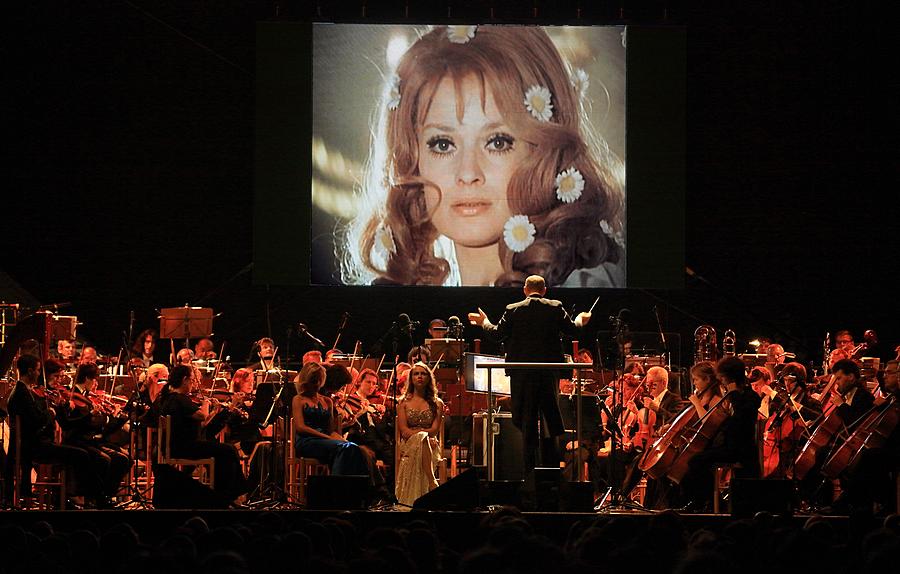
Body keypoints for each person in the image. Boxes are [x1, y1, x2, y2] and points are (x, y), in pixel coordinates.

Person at [340, 25, 624, 287]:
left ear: (543, 152)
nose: (467, 173)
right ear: (413, 159)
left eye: (498, 142)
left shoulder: (591, 290)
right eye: (442, 144)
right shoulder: (399, 303)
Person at [468, 274, 591, 489]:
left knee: (526, 421)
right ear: (544, 290)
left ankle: (528, 476)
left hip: (522, 375)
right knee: (550, 420)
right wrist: (581, 318)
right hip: (547, 374)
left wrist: (484, 322)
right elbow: (573, 329)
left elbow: (497, 334)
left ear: (525, 290)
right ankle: (551, 475)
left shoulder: (513, 309)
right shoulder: (555, 306)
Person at [5, 354, 103, 508]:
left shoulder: (25, 390)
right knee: (81, 455)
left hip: (35, 444)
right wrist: (51, 412)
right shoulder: (22, 392)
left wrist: (57, 407)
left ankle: (84, 498)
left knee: (82, 454)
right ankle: (85, 498)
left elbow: (43, 418)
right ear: (30, 371)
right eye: (38, 370)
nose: (39, 374)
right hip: (35, 446)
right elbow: (37, 420)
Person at [678, 356, 762, 512]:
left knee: (696, 461)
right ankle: (704, 500)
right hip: (727, 445)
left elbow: (740, 421)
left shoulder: (750, 397)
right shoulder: (731, 396)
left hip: (739, 449)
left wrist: (733, 395)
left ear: (731, 378)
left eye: (723, 378)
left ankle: (706, 502)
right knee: (694, 458)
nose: (721, 381)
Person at [157, 365, 249, 505]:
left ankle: (225, 495)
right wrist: (206, 403)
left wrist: (215, 412)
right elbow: (202, 415)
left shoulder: (171, 398)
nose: (194, 384)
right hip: (184, 447)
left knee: (224, 451)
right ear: (184, 380)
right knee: (228, 450)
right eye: (192, 380)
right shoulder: (179, 398)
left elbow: (202, 423)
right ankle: (230, 495)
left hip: (181, 444)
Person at [58, 362, 132, 505]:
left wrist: (113, 418)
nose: (96, 384)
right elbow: (79, 424)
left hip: (91, 440)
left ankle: (106, 495)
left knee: (125, 459)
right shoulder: (73, 397)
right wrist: (99, 417)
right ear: (87, 379)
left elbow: (97, 427)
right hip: (78, 440)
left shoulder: (86, 397)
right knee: (105, 460)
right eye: (94, 379)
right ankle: (98, 498)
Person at [290, 362, 369, 476]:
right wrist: (328, 438)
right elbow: (301, 427)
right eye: (313, 380)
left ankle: (354, 488)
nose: (316, 384)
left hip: (327, 441)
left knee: (355, 449)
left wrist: (344, 441)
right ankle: (334, 488)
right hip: (306, 442)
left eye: (319, 380)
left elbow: (331, 430)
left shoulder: (327, 401)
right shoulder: (298, 399)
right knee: (343, 449)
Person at [395, 362, 445, 506]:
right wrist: (422, 435)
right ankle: (432, 481)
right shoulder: (403, 402)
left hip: (431, 444)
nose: (419, 377)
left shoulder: (437, 403)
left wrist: (422, 435)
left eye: (423, 374)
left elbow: (435, 430)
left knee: (424, 439)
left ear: (429, 378)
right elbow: (404, 431)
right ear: (411, 378)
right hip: (409, 443)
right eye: (416, 374)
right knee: (422, 438)